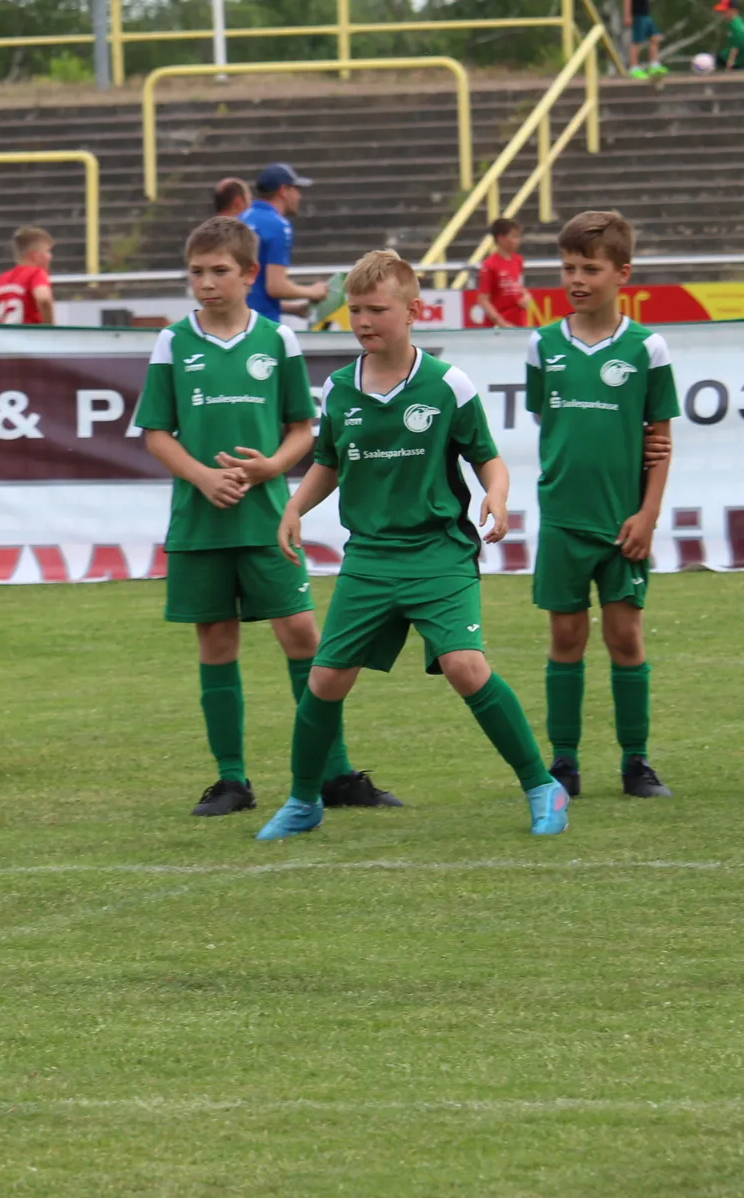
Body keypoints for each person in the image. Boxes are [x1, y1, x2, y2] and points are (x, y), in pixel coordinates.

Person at [259, 249, 568, 841]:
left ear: (413, 311)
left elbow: (489, 460)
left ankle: (541, 785)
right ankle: (303, 801)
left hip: (438, 552)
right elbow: (329, 463)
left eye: (377, 309)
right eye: (355, 310)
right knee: (325, 681)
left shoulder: (447, 384)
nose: (363, 321)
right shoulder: (340, 389)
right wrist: (294, 507)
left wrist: (497, 496)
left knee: (465, 666)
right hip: (370, 558)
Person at [134, 216, 398, 817]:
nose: (206, 283)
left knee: (302, 634)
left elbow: (303, 428)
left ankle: (334, 773)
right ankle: (231, 781)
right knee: (216, 640)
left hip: (268, 519)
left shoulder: (277, 340)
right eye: (196, 272)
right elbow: (155, 433)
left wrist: (270, 467)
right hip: (200, 522)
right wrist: (203, 477)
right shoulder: (174, 342)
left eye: (219, 271)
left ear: (250, 274)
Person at [527, 210, 679, 800]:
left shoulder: (648, 348)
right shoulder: (543, 345)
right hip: (562, 519)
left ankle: (636, 762)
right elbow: (549, 423)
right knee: (566, 637)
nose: (576, 279)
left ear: (622, 273)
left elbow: (660, 441)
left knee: (625, 637)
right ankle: (563, 761)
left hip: (623, 522)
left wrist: (648, 515)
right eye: (568, 267)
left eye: (590, 268)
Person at [238, 163, 328, 325]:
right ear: (283, 191)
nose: (299, 196)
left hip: (236, 322)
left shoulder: (242, 218)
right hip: (262, 327)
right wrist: (312, 292)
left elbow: (254, 291)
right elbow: (275, 286)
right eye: (296, 189)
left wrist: (293, 309)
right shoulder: (278, 225)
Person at [0, 226, 56, 326]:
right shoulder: (36, 273)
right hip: (30, 333)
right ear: (36, 256)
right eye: (47, 251)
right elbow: (44, 299)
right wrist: (50, 327)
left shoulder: (2, 279)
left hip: (7, 334)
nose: (50, 256)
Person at [475, 217, 531, 329]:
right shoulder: (489, 265)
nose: (518, 241)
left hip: (519, 323)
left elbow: (518, 285)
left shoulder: (518, 260)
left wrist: (526, 296)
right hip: (501, 329)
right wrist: (502, 323)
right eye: (514, 236)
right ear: (501, 238)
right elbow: (483, 299)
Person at [628, 0, 666, 77]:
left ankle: (654, 65)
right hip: (637, 15)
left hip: (646, 14)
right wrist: (627, 16)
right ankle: (634, 68)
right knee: (636, 42)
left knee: (655, 37)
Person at [714, 0, 744, 70]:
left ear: (733, 11)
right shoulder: (734, 22)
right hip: (733, 55)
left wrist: (730, 62)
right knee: (714, 58)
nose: (722, 15)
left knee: (712, 60)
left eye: (724, 12)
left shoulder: (736, 26)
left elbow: (737, 46)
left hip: (741, 61)